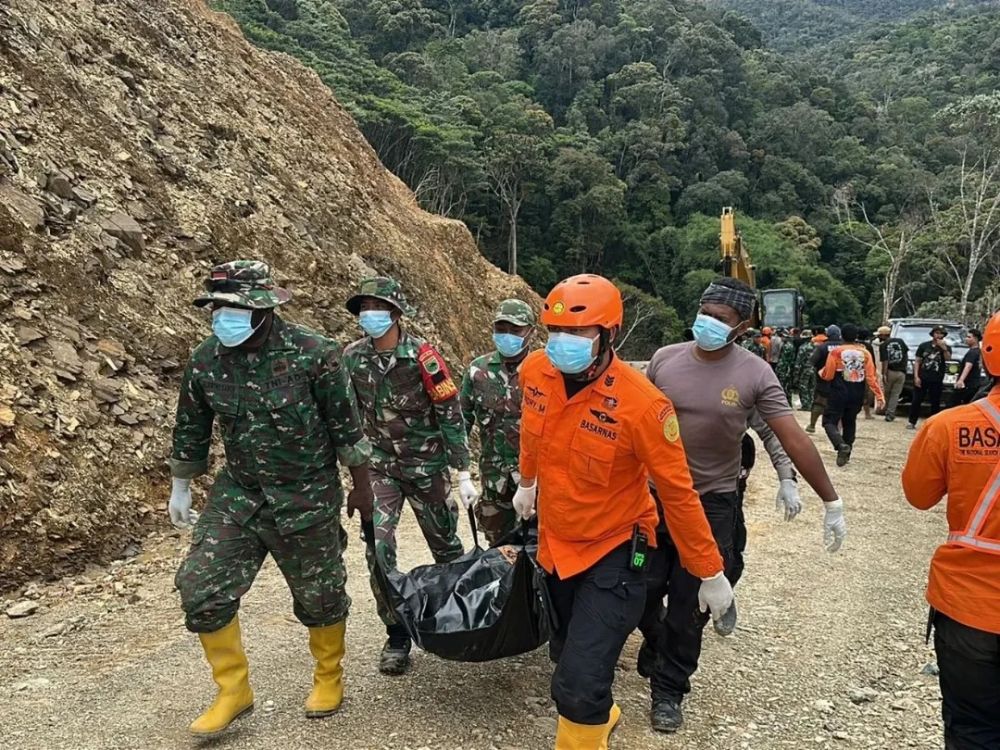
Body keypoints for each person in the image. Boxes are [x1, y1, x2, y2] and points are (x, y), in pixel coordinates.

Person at [511, 274, 733, 750]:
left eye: (579, 333)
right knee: (567, 657)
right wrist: (527, 483)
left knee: (574, 685)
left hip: (615, 553)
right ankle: (600, 712)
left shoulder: (644, 405)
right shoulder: (534, 372)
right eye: (555, 332)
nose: (563, 344)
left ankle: (586, 725)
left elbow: (677, 494)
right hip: (556, 546)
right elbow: (532, 431)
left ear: (608, 334)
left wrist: (709, 571)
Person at [169, 261, 375, 736]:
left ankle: (328, 675)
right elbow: (191, 427)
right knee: (200, 588)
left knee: (321, 597)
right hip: (239, 494)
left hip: (305, 494)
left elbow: (347, 427)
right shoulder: (206, 359)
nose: (223, 318)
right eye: (217, 308)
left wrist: (361, 488)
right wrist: (181, 485)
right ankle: (233, 691)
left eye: (234, 309)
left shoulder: (315, 354)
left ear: (263, 308)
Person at [642, 277, 848, 733]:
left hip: (712, 502)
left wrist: (823, 497)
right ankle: (655, 641)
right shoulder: (663, 360)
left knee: (688, 601)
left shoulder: (754, 373)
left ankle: (669, 690)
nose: (709, 323)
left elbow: (786, 434)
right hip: (653, 499)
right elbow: (630, 424)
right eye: (705, 313)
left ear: (741, 327)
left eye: (722, 319)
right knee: (638, 588)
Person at [342, 276, 478, 675]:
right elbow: (347, 414)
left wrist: (463, 470)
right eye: (364, 309)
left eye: (377, 308)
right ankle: (397, 631)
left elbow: (450, 412)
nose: (370, 315)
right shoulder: (352, 357)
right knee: (377, 548)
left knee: (447, 547)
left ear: (396, 313)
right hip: (379, 468)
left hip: (426, 467)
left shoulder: (424, 357)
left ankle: (460, 618)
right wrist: (353, 470)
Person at [901, 311, 1000, 749]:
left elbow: (919, 495)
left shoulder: (949, 426)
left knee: (973, 729)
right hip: (968, 606)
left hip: (969, 607)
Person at [459, 299, 535, 544]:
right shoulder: (478, 371)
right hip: (494, 480)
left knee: (536, 546)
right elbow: (462, 422)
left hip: (536, 480)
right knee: (497, 548)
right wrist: (461, 473)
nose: (507, 336)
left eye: (515, 330)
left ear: (530, 332)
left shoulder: (545, 371)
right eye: (501, 329)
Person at [818, 324, 885, 466]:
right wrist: (879, 396)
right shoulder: (865, 353)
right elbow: (871, 377)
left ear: (842, 336)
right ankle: (846, 454)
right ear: (856, 337)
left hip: (838, 391)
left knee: (829, 421)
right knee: (850, 421)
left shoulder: (836, 352)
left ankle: (840, 445)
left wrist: (821, 372)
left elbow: (828, 375)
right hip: (857, 392)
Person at [908, 325, 952, 429]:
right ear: (933, 334)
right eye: (937, 333)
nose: (939, 335)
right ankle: (912, 421)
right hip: (923, 376)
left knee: (935, 401)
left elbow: (948, 359)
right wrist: (916, 376)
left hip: (937, 378)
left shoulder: (946, 347)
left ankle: (933, 424)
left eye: (941, 333)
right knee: (917, 400)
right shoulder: (924, 346)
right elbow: (917, 361)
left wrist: (944, 349)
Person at [807, 325, 842, 433]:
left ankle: (812, 425)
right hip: (841, 381)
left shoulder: (822, 347)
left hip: (824, 380)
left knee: (819, 402)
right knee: (840, 405)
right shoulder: (844, 347)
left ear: (828, 334)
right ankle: (838, 428)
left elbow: (812, 361)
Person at [876, 325, 909, 422]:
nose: (878, 338)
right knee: (896, 394)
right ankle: (891, 413)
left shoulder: (883, 345)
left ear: (883, 335)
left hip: (890, 371)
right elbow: (906, 355)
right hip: (901, 372)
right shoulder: (900, 341)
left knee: (887, 393)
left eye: (879, 335)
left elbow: (885, 361)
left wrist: (884, 374)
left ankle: (884, 410)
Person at [796, 328, 825, 414]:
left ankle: (806, 405)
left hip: (805, 369)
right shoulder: (816, 346)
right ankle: (812, 404)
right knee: (812, 387)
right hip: (814, 369)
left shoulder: (803, 347)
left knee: (803, 387)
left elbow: (799, 361)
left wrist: (796, 373)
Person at [953, 329, 983, 406]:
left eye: (969, 337)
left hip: (969, 384)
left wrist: (961, 380)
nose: (966, 339)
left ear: (975, 339)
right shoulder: (978, 351)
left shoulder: (972, 353)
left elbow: (968, 366)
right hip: (975, 384)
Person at [775, 329, 799, 405]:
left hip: (784, 369)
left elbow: (785, 360)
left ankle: (784, 402)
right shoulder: (789, 345)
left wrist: (780, 369)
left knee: (784, 385)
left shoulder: (787, 346)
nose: (781, 338)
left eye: (782, 336)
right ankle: (787, 402)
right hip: (786, 369)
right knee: (787, 386)